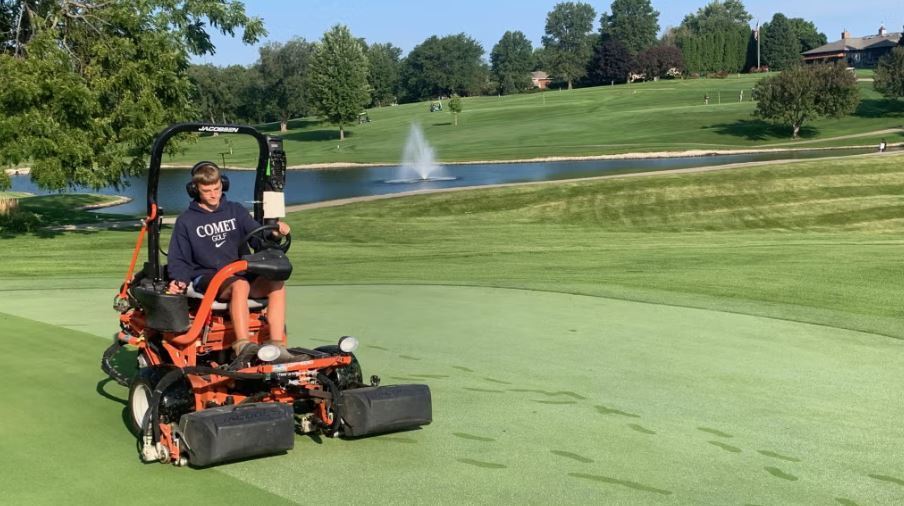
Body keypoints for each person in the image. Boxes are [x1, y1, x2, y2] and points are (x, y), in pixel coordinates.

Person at [166, 161, 292, 364]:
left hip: (241, 271)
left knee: (276, 283)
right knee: (239, 285)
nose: (214, 195)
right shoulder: (186, 221)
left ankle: (277, 345)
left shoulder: (236, 211)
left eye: (217, 188)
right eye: (207, 191)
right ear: (195, 190)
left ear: (222, 184)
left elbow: (258, 239)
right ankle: (242, 344)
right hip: (209, 277)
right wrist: (179, 279)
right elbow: (178, 258)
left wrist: (275, 233)